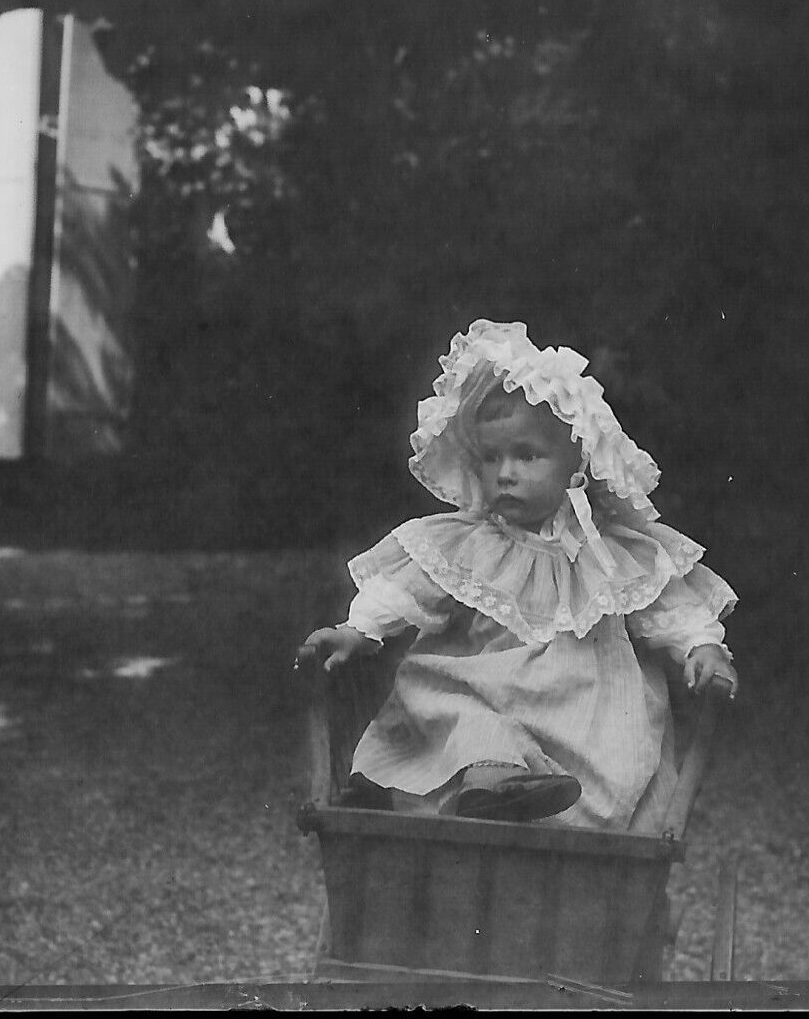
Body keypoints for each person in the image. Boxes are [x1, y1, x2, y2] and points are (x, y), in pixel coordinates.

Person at [297, 320, 739, 831]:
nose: (505, 472)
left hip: (585, 715)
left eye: (527, 455)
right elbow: (404, 590)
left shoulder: (611, 552)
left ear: (576, 464)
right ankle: (489, 789)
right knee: (461, 709)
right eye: (491, 457)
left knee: (621, 742)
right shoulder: (469, 540)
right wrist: (360, 630)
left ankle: (526, 797)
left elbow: (672, 610)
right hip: (484, 694)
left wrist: (701, 647)